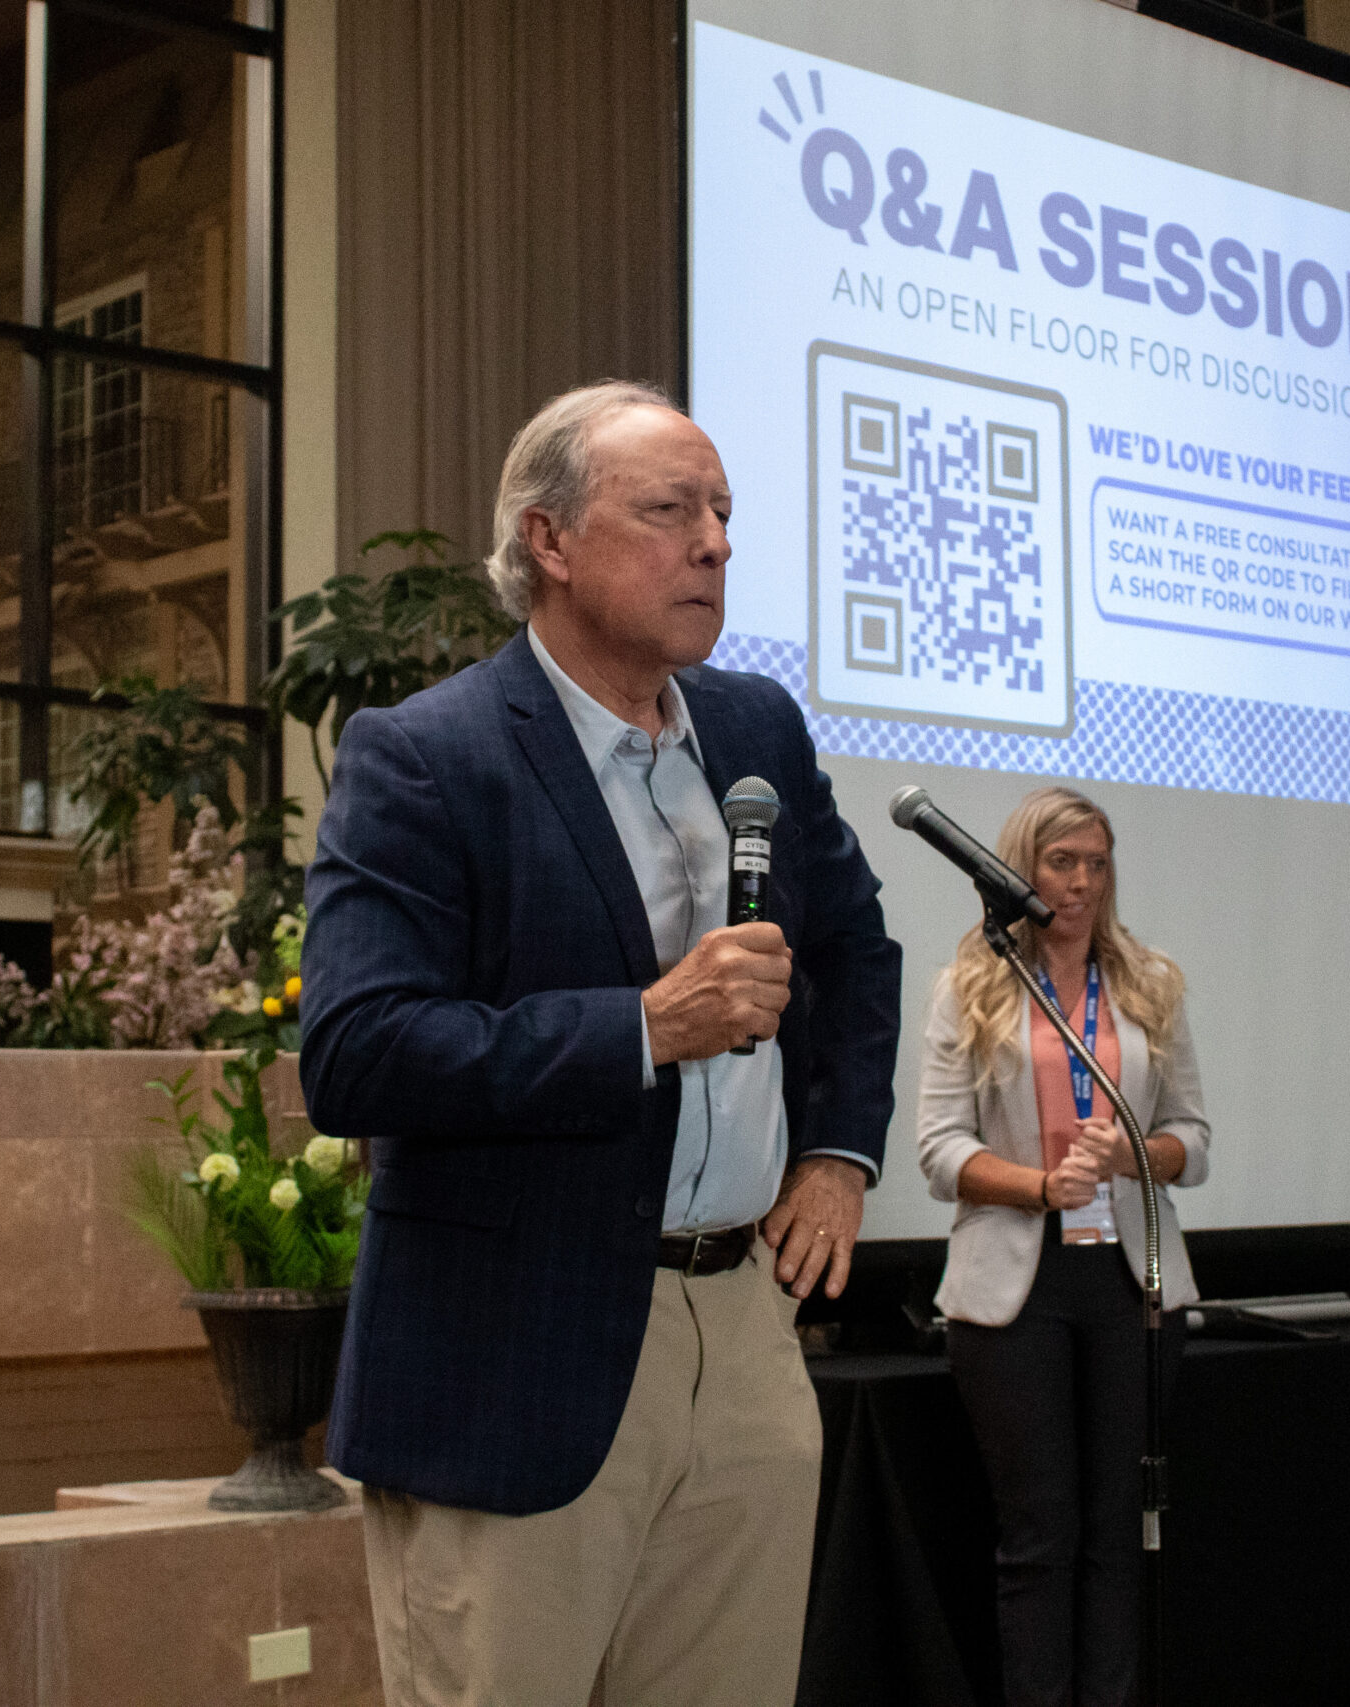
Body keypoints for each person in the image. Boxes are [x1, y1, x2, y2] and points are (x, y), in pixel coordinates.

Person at [301, 380, 902, 1707]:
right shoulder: (426, 755)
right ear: (551, 539)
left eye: (724, 512)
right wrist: (642, 1026)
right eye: (670, 510)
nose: (715, 543)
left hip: (741, 1330)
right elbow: (356, 1050)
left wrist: (837, 1156)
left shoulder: (755, 728)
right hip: (513, 1352)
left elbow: (857, 951)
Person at [912, 785, 1210, 1707]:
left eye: (1097, 863)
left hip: (1130, 1284)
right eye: (1061, 862)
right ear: (1020, 870)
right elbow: (939, 1151)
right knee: (1039, 1537)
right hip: (1014, 1292)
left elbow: (1194, 1138)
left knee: (1120, 1532)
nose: (1081, 882)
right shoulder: (971, 985)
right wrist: (1039, 1185)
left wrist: (1134, 1154)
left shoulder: (1149, 983)